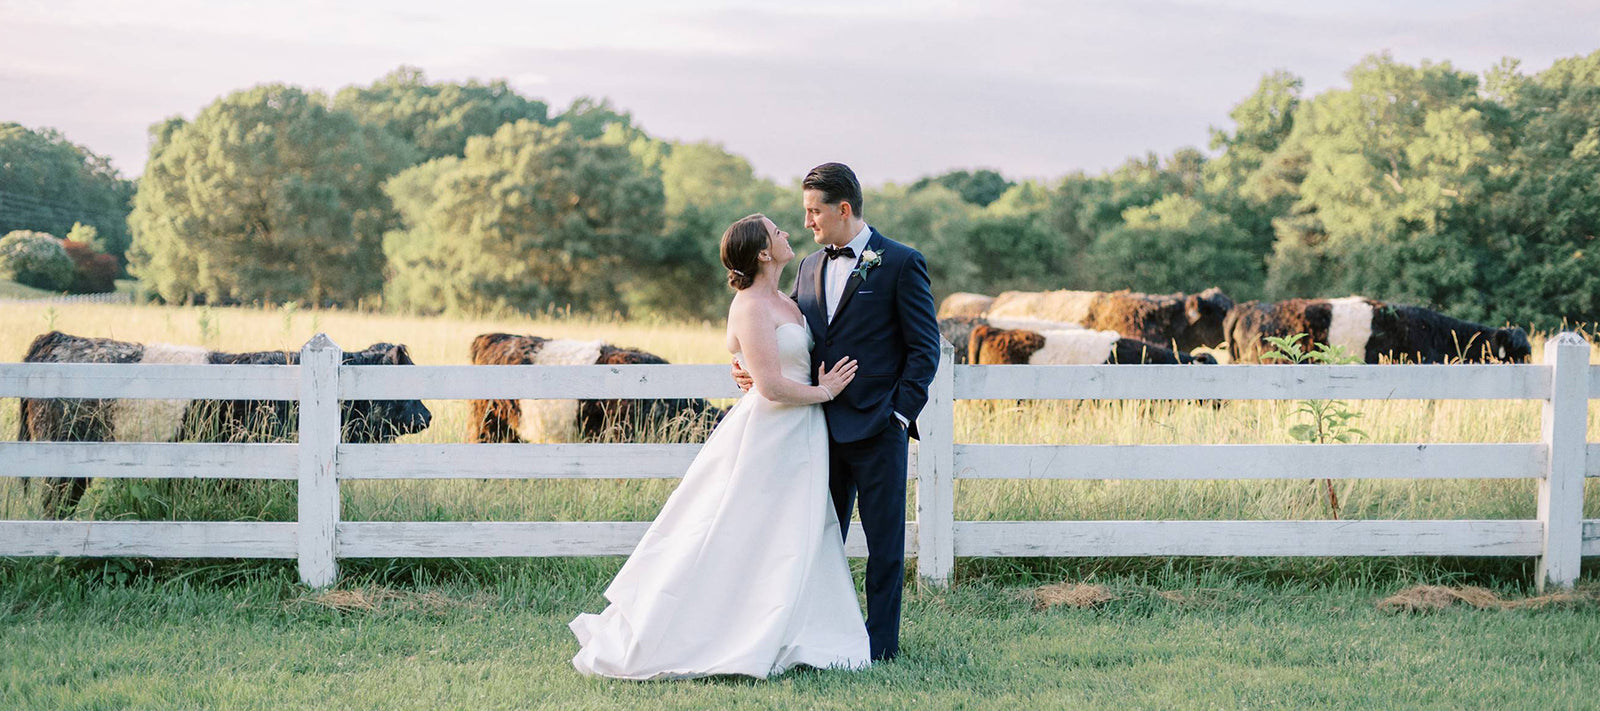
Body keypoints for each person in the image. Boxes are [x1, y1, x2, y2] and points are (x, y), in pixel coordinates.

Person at [570, 214, 871, 680]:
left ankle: (796, 628)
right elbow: (770, 386)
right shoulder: (750, 306)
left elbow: (777, 362)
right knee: (741, 531)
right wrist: (825, 392)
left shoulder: (787, 303)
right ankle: (720, 631)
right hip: (769, 435)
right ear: (764, 253)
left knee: (795, 533)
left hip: (802, 435)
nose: (788, 233)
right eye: (777, 232)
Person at [733, 162, 941, 662]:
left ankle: (881, 647)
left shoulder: (899, 262)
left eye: (814, 211)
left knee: (885, 546)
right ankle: (815, 639)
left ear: (842, 209)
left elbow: (924, 350)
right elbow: (792, 343)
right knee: (816, 541)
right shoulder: (806, 267)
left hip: (878, 428)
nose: (806, 221)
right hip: (812, 430)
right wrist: (756, 374)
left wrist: (899, 415)